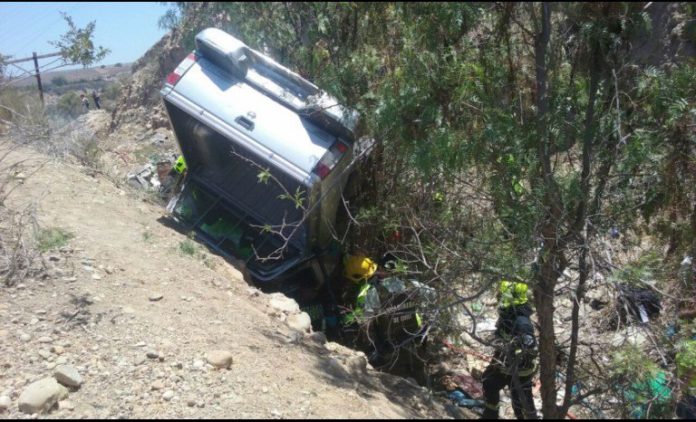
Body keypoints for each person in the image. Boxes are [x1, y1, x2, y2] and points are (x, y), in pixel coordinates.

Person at [481, 280, 539, 419]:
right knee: (488, 382)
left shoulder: (522, 322)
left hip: (520, 371)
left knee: (521, 404)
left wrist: (513, 349)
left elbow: (530, 347)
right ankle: (490, 415)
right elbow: (500, 334)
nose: (499, 296)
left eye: (502, 294)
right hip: (502, 364)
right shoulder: (507, 316)